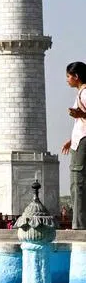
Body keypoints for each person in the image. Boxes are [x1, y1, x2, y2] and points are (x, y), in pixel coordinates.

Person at [61, 61, 86, 229]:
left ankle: (79, 225)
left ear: (76, 77)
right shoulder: (81, 93)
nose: (67, 80)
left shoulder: (84, 93)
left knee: (78, 182)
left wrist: (80, 113)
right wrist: (71, 140)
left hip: (83, 141)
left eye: (68, 76)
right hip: (79, 140)